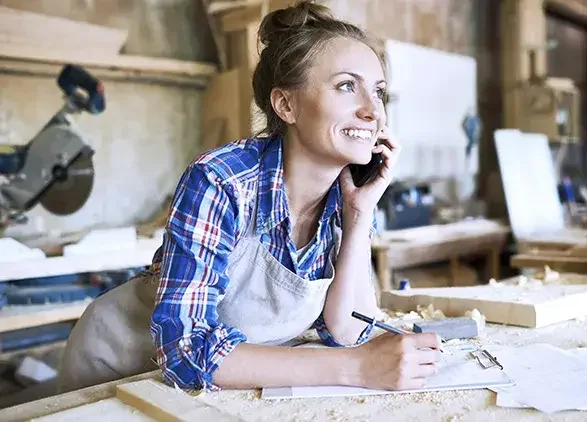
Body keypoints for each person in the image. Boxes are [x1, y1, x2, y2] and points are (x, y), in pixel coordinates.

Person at [57, 0, 441, 394]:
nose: (372, 111)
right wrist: (355, 369)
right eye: (347, 86)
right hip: (120, 369)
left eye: (378, 93)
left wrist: (359, 215)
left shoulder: (347, 195)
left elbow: (347, 329)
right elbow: (185, 352)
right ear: (286, 104)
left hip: (215, 386)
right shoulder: (221, 181)